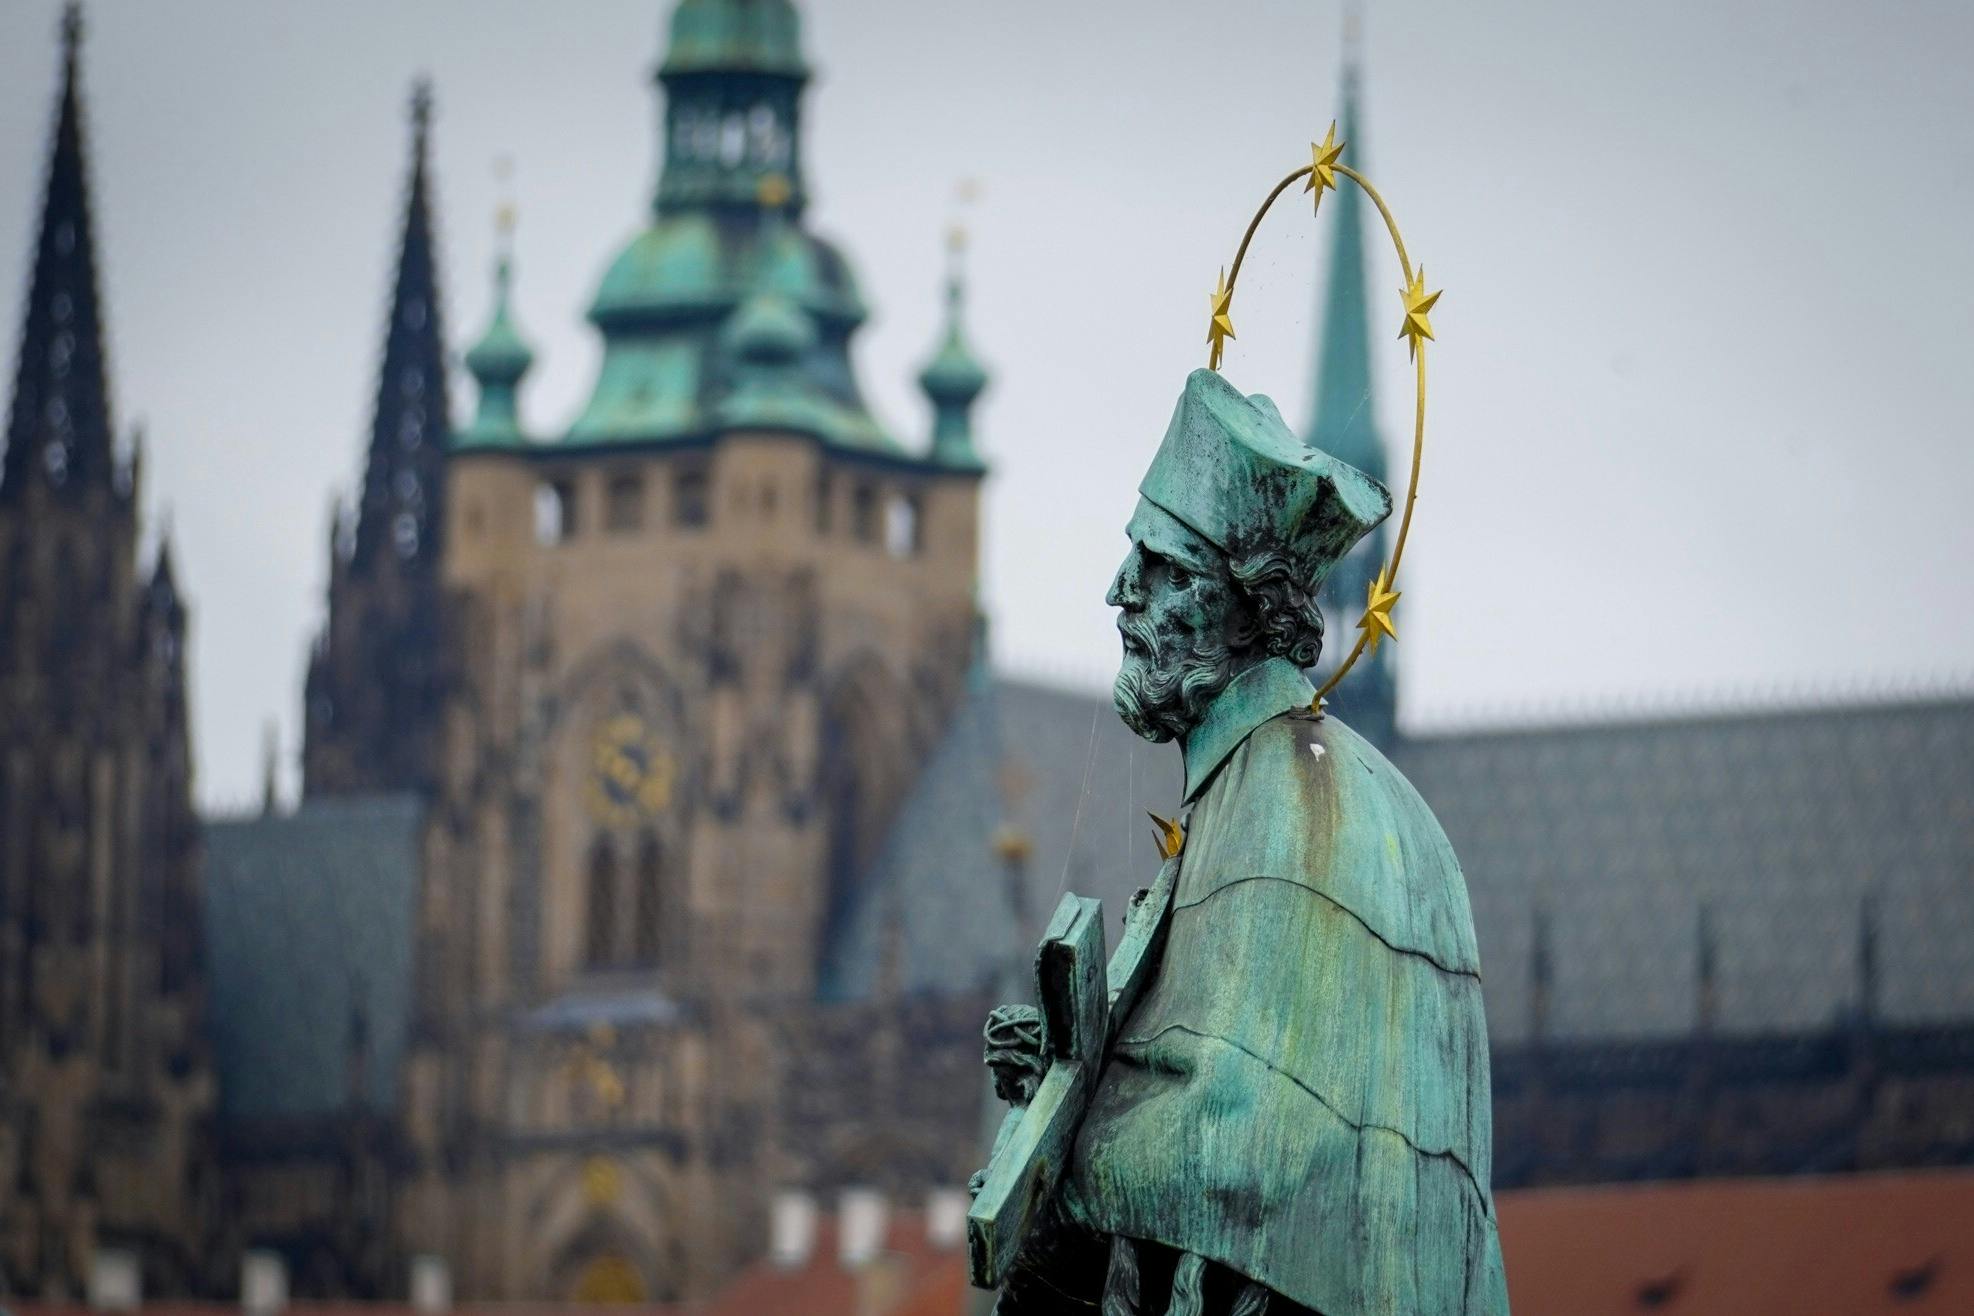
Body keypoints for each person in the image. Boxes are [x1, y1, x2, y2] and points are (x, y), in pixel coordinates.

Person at [984, 369, 1509, 1315]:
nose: (1118, 593)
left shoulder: (1295, 799)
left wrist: (1062, 1128)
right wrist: (1063, 1070)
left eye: (1157, 568)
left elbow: (1246, 1149)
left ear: (1242, 605)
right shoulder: (1281, 786)